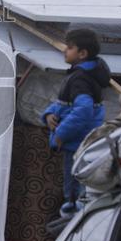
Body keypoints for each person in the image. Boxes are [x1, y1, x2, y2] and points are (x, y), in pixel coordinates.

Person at [41, 28, 111, 219]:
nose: (65, 50)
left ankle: (75, 223)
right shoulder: (81, 74)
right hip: (80, 143)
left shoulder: (81, 79)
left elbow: (83, 111)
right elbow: (64, 103)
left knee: (75, 191)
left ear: (82, 53)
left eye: (70, 47)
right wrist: (49, 114)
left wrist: (60, 134)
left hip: (77, 145)